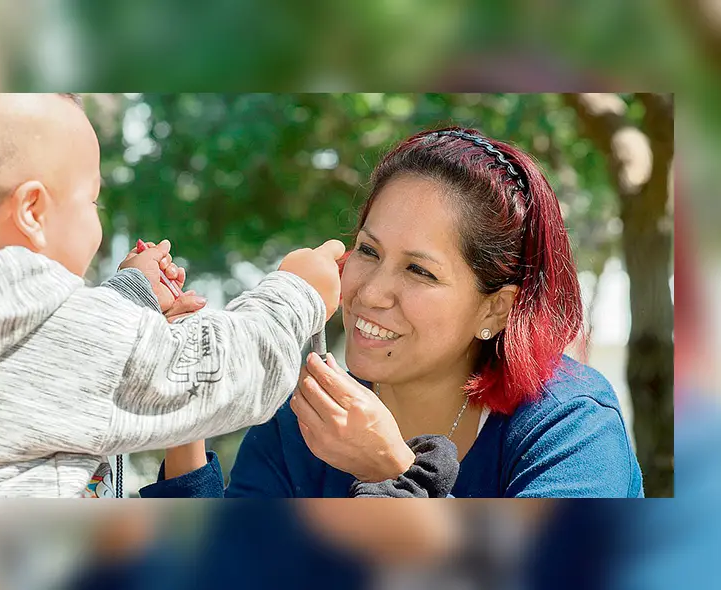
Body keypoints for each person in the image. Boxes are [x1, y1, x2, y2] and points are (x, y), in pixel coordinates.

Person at [141, 126, 644, 498]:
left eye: (420, 271)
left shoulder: (569, 422)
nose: (371, 292)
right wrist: (185, 407)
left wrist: (394, 471)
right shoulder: (304, 418)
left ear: (497, 308)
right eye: (368, 251)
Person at [0, 93, 346, 497]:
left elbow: (62, 358)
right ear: (32, 211)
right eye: (92, 200)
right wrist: (297, 293)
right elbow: (223, 371)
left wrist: (132, 294)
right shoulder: (53, 334)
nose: (98, 216)